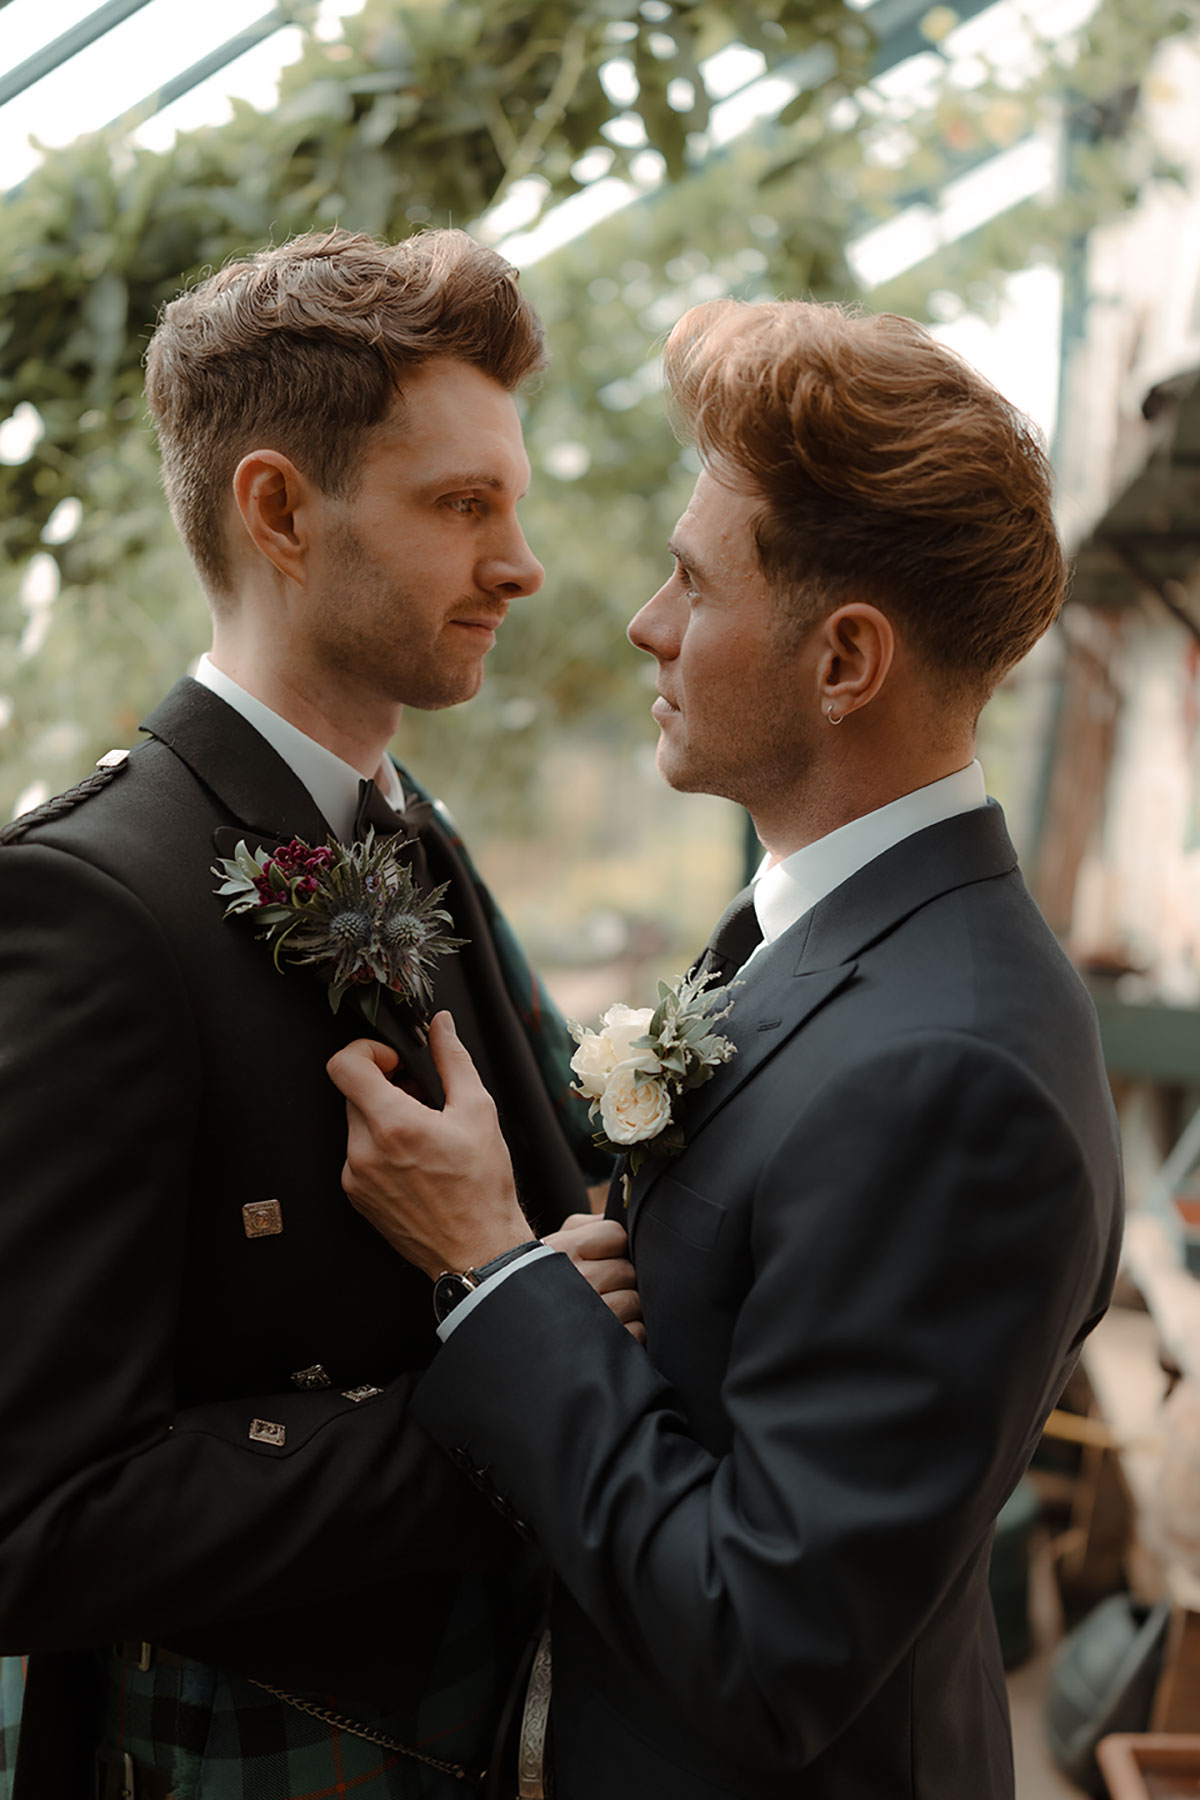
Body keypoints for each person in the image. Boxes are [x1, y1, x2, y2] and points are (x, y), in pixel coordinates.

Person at [327, 298, 1125, 1800]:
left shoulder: (955, 1075)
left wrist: (495, 1278)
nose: (647, 620)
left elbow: (765, 1642)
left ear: (846, 663)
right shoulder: (817, 932)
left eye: (694, 579)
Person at [0, 227, 633, 1800]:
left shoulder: (414, 840)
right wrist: (507, 1393)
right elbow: (35, 1516)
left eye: (516, 503)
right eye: (462, 504)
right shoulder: (89, 903)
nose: (524, 563)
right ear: (278, 508)